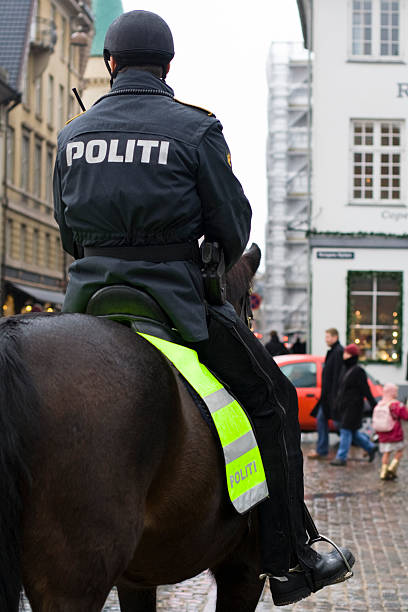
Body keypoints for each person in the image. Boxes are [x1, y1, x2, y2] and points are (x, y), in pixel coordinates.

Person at [53, 10, 353, 605]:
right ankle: (292, 555)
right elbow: (233, 228)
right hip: (174, 302)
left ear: (110, 64)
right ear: (167, 66)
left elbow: (68, 234)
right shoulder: (194, 129)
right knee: (275, 400)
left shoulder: (72, 136)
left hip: (87, 304)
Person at [330, 344, 378, 466]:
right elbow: (341, 389)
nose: (344, 355)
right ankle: (370, 447)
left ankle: (341, 457)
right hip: (345, 407)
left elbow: (366, 389)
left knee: (346, 430)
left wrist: (374, 404)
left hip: (354, 407)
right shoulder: (345, 369)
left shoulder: (358, 371)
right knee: (352, 433)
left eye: (346, 353)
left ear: (352, 355)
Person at [308, 328, 344, 460]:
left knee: (341, 425)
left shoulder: (338, 352)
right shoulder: (334, 352)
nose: (326, 339)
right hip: (327, 396)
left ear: (335, 337)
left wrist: (333, 397)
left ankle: (367, 445)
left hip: (331, 397)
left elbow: (336, 377)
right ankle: (322, 450)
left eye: (328, 337)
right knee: (322, 420)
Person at [375, 383, 408, 480]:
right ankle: (392, 469)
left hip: (383, 434)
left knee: (386, 453)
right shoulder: (396, 405)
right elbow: (405, 416)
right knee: (399, 450)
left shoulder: (381, 404)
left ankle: (383, 472)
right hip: (395, 433)